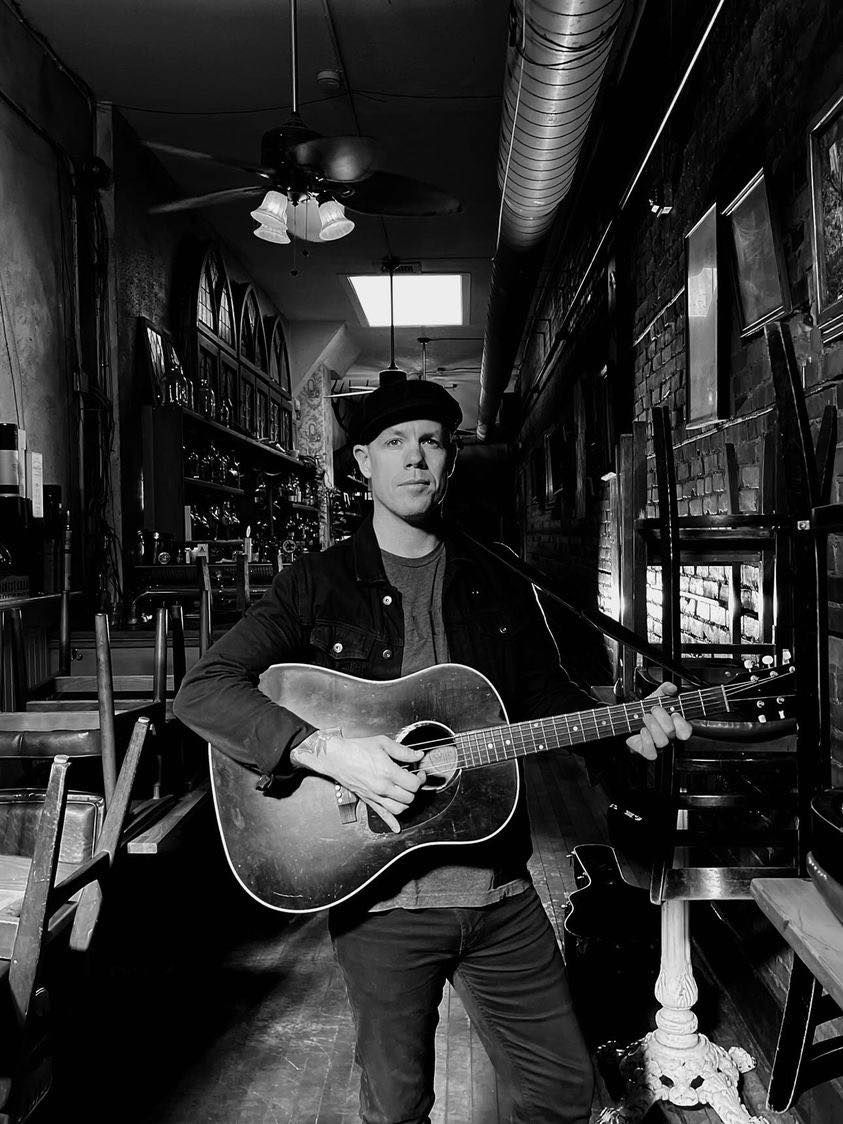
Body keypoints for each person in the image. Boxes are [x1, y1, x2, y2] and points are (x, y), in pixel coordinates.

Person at [173, 378, 692, 1124]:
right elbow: (203, 690)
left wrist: (624, 731)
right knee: (396, 1109)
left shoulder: (500, 575)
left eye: (431, 442)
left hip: (499, 890)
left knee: (562, 1093)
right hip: (380, 903)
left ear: (449, 460)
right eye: (394, 442)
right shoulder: (316, 585)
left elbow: (549, 700)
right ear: (362, 463)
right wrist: (328, 751)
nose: (414, 458)